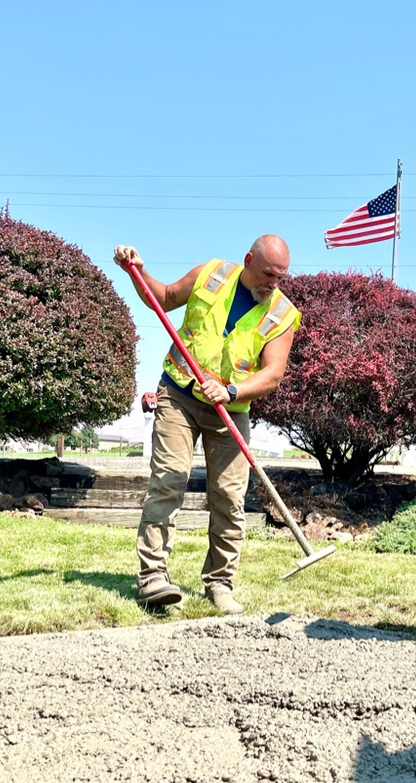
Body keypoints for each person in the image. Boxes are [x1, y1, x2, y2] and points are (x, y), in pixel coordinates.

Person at [113, 236, 301, 614]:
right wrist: (137, 270)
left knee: (230, 497)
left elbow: (274, 374)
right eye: (267, 274)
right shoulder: (210, 273)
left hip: (230, 411)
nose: (273, 284)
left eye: (281, 277)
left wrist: (232, 390)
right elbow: (163, 298)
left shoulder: (282, 314)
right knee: (168, 480)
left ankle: (220, 584)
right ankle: (152, 578)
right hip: (179, 395)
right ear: (248, 260)